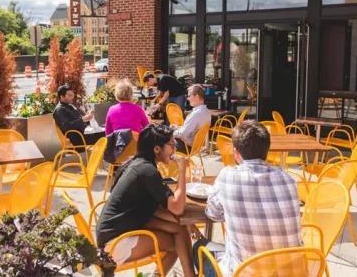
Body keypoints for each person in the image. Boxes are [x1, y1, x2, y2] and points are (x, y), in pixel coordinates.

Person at [193, 120, 302, 277]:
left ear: (236, 152)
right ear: (267, 149)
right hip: (290, 272)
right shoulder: (288, 178)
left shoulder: (228, 176)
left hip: (245, 272)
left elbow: (212, 213)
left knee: (199, 247)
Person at [96, 124, 196, 277]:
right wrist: (182, 170)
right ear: (157, 149)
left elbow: (155, 208)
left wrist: (189, 224)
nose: (174, 149)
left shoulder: (136, 164)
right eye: (171, 144)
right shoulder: (147, 171)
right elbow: (177, 208)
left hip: (117, 228)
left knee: (181, 230)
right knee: (177, 244)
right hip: (115, 242)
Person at [171, 85, 211, 153]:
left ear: (196, 96)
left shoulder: (196, 114)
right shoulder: (207, 112)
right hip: (195, 146)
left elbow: (182, 134)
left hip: (186, 147)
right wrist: (178, 128)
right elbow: (191, 129)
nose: (187, 98)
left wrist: (170, 132)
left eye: (189, 96)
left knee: (159, 141)